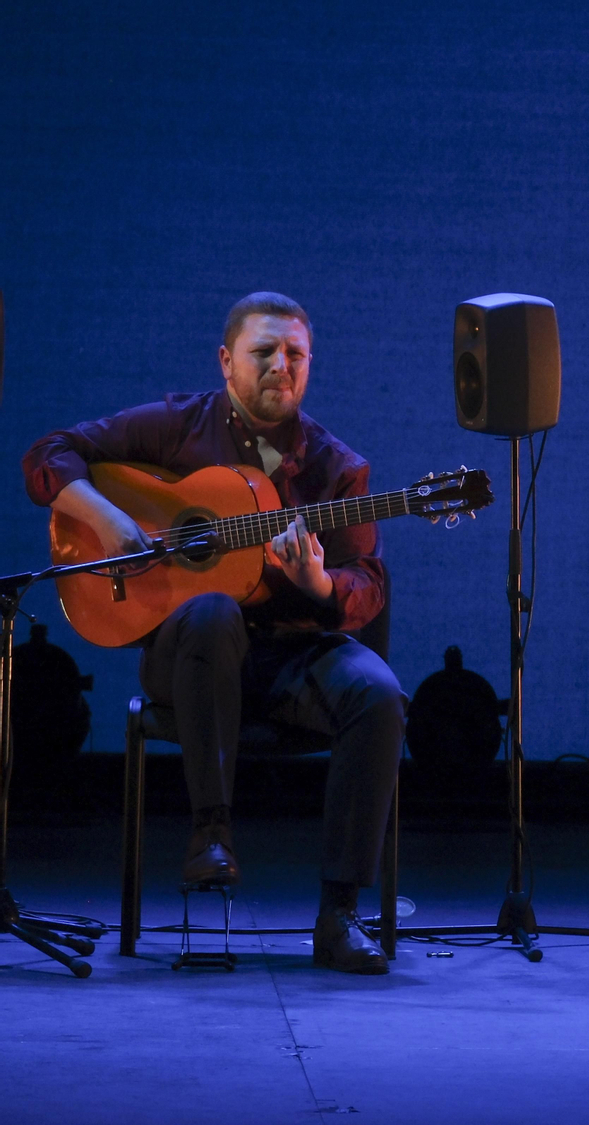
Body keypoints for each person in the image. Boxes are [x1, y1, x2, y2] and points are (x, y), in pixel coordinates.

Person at [22, 292, 405, 974]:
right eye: (264, 353)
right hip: (190, 657)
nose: (280, 367)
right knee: (212, 609)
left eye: (295, 355)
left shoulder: (337, 470)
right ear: (227, 361)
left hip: (293, 659)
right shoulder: (179, 426)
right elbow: (51, 453)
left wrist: (319, 587)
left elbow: (366, 584)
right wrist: (109, 519)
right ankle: (210, 834)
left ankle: (340, 912)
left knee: (378, 694)